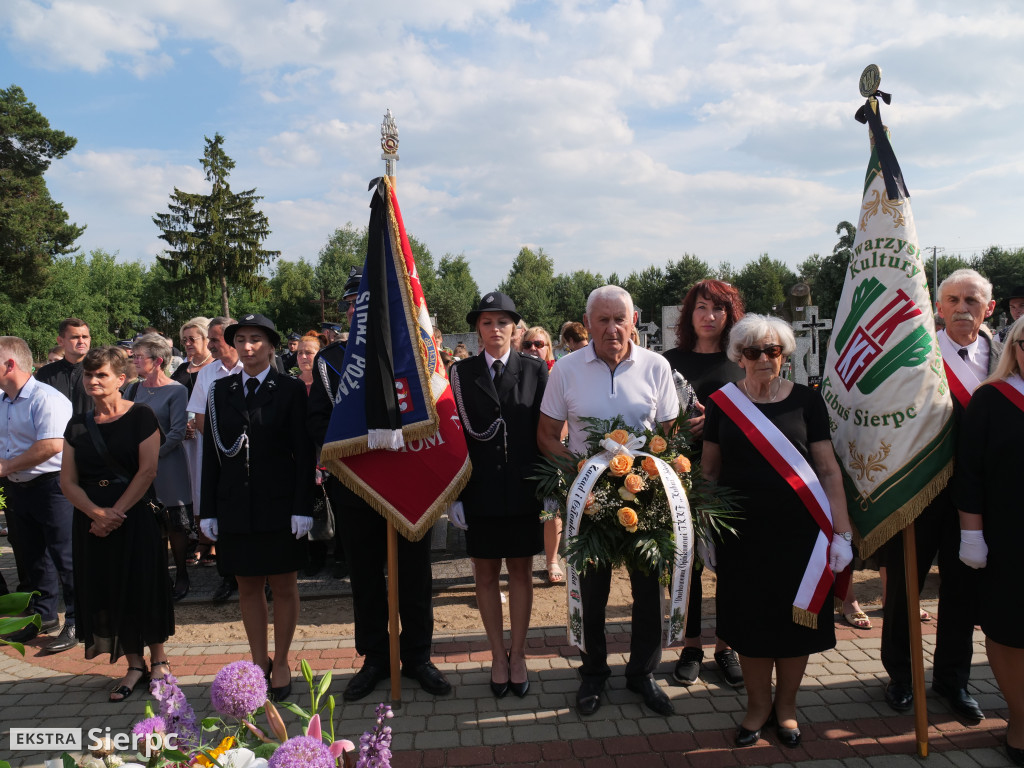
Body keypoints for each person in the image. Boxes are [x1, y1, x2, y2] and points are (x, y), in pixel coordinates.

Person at [703, 314, 853, 748]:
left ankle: (785, 709)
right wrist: (706, 529)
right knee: (749, 624)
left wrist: (841, 535)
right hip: (741, 537)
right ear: (739, 357)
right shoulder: (722, 403)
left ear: (785, 356)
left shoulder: (808, 401)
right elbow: (710, 472)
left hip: (801, 537)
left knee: (794, 625)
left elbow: (827, 470)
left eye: (772, 351)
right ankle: (756, 708)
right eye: (753, 352)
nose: (764, 359)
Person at [308, 267, 451, 701]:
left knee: (414, 575)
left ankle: (419, 657)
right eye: (354, 304)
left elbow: (436, 414)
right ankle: (374, 658)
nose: (359, 310)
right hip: (355, 486)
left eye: (366, 302)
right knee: (366, 577)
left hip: (410, 481)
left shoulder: (414, 357)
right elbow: (318, 423)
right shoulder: (330, 362)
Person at [537, 285, 679, 717]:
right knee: (590, 592)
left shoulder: (656, 366)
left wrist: (645, 471)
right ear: (588, 323)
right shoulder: (565, 370)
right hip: (591, 499)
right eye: (603, 319)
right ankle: (593, 673)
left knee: (650, 593)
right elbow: (545, 435)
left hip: (645, 497)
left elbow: (670, 433)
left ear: (633, 321)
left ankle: (642, 674)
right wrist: (583, 470)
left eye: (620, 319)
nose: (612, 328)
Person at [881, 268, 1001, 722]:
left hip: (977, 497)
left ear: (988, 308)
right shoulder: (916, 355)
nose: (961, 309)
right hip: (918, 489)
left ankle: (953, 680)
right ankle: (901, 675)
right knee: (904, 587)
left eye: (971, 301)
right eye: (951, 300)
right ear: (938, 306)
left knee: (962, 591)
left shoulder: (1001, 356)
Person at [200, 313, 314, 702]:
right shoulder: (219, 391)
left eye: (256, 340)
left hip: (279, 504)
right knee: (247, 586)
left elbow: (304, 451)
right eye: (242, 340)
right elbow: (211, 454)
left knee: (283, 585)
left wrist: (303, 506)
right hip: (235, 505)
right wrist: (208, 508)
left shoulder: (290, 389)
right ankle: (257, 660)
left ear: (271, 345)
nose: (248, 347)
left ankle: (281, 661)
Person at [60, 346, 174, 701]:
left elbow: (148, 471)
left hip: (134, 515)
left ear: (121, 380)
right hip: (91, 520)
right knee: (108, 589)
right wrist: (96, 514)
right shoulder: (77, 423)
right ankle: (134, 665)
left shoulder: (141, 416)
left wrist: (115, 515)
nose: (93, 381)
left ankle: (159, 662)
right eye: (89, 375)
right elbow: (67, 481)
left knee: (144, 586)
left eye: (101, 375)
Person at [448, 292, 547, 699]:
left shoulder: (535, 370)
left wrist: (551, 486)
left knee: (521, 572)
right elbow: (452, 438)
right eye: (486, 323)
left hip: (524, 490)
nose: (494, 330)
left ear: (515, 328)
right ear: (477, 329)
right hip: (480, 490)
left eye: (502, 322)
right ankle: (496, 655)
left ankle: (519, 653)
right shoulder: (461, 373)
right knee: (485, 574)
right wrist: (454, 494)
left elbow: (547, 433)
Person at [662, 279, 746, 688]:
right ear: (688, 314)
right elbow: (653, 417)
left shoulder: (742, 361)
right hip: (682, 473)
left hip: (734, 475)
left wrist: (716, 422)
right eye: (701, 308)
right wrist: (678, 426)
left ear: (730, 315)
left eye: (718, 309)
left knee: (731, 565)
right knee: (688, 562)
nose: (709, 316)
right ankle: (691, 645)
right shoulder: (668, 362)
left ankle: (726, 646)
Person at [955, 316, 1024, 766]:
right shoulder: (991, 400)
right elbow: (970, 474)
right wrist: (972, 535)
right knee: (1011, 632)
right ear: (1015, 347)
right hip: (1010, 539)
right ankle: (1020, 722)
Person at [0, 336, 77, 653]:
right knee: (33, 557)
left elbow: (52, 445)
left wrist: (6, 466)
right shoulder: (3, 400)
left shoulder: (46, 398)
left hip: (51, 486)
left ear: (9, 364)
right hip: (18, 487)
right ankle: (42, 618)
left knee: (66, 556)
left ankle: (77, 621)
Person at [126, 334, 192, 602]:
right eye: (134, 356)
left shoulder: (177, 390)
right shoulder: (131, 390)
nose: (134, 360)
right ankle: (158, 576)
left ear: (158, 361)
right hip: (138, 468)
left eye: (139, 356)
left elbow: (177, 433)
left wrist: (150, 458)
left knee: (174, 524)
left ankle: (183, 574)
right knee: (150, 526)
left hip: (168, 465)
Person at [186, 316, 242, 602]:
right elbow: (199, 417)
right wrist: (223, 445)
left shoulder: (257, 368)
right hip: (220, 458)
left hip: (252, 458)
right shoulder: (208, 374)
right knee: (225, 517)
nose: (210, 345)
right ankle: (228, 577)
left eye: (214, 340)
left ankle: (263, 578)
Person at [519, 326, 561, 582]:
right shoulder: (516, 373)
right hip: (524, 451)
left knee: (551, 511)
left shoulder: (558, 375)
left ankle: (552, 560)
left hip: (551, 450)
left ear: (548, 348)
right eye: (528, 344)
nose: (533, 349)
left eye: (539, 344)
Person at [294, 331, 330, 576]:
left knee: (325, 507)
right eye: (299, 352)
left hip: (324, 456)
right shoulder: (290, 385)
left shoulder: (325, 385)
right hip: (298, 457)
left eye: (309, 352)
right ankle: (309, 556)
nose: (304, 357)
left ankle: (333, 555)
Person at [35, 318, 92, 414]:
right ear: (60, 341)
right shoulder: (45, 374)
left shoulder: (100, 372)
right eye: (75, 337)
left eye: (85, 337)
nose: (81, 341)